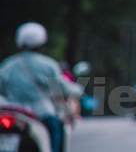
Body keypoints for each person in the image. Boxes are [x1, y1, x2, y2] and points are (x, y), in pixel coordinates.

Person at [0, 22, 83, 152]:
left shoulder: (8, 65)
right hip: (41, 112)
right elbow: (60, 88)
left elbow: (2, 89)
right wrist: (78, 89)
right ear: (42, 43)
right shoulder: (48, 65)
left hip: (13, 111)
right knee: (56, 129)